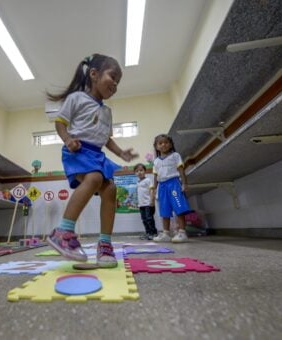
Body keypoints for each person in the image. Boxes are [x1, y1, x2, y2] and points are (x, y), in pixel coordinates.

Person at [46, 53, 138, 267]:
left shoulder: (107, 111)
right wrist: (68, 139)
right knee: (95, 178)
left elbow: (106, 139)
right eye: (112, 77)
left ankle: (104, 245)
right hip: (78, 151)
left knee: (111, 189)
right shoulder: (76, 98)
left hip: (97, 154)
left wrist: (121, 153)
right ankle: (63, 231)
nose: (115, 84)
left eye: (118, 82)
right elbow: (60, 123)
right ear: (94, 74)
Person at [151, 134, 192, 243]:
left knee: (179, 208)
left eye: (166, 142)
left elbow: (181, 171)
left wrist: (184, 184)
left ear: (171, 144)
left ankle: (182, 232)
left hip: (174, 183)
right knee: (164, 210)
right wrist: (154, 190)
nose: (163, 145)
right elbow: (155, 176)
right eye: (160, 143)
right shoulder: (155, 161)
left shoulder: (175, 155)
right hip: (162, 186)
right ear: (156, 146)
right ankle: (166, 234)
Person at [133, 163, 157, 240]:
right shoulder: (138, 183)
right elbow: (138, 194)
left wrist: (152, 200)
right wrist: (137, 203)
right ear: (135, 173)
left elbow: (152, 191)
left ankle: (154, 233)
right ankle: (148, 233)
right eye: (137, 171)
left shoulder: (148, 180)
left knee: (149, 219)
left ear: (145, 171)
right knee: (144, 220)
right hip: (141, 205)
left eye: (141, 170)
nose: (139, 172)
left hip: (148, 204)